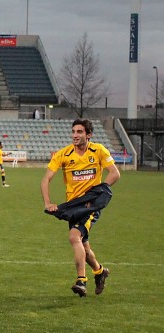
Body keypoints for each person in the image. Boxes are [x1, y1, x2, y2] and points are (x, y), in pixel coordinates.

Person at [41, 119, 120, 297]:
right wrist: (48, 202)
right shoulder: (63, 154)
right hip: (73, 207)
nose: (75, 135)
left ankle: (81, 281)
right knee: (83, 247)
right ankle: (99, 272)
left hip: (90, 206)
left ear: (88, 135)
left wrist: (97, 193)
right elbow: (46, 179)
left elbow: (115, 173)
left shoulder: (98, 150)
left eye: (79, 132)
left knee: (74, 237)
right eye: (73, 131)